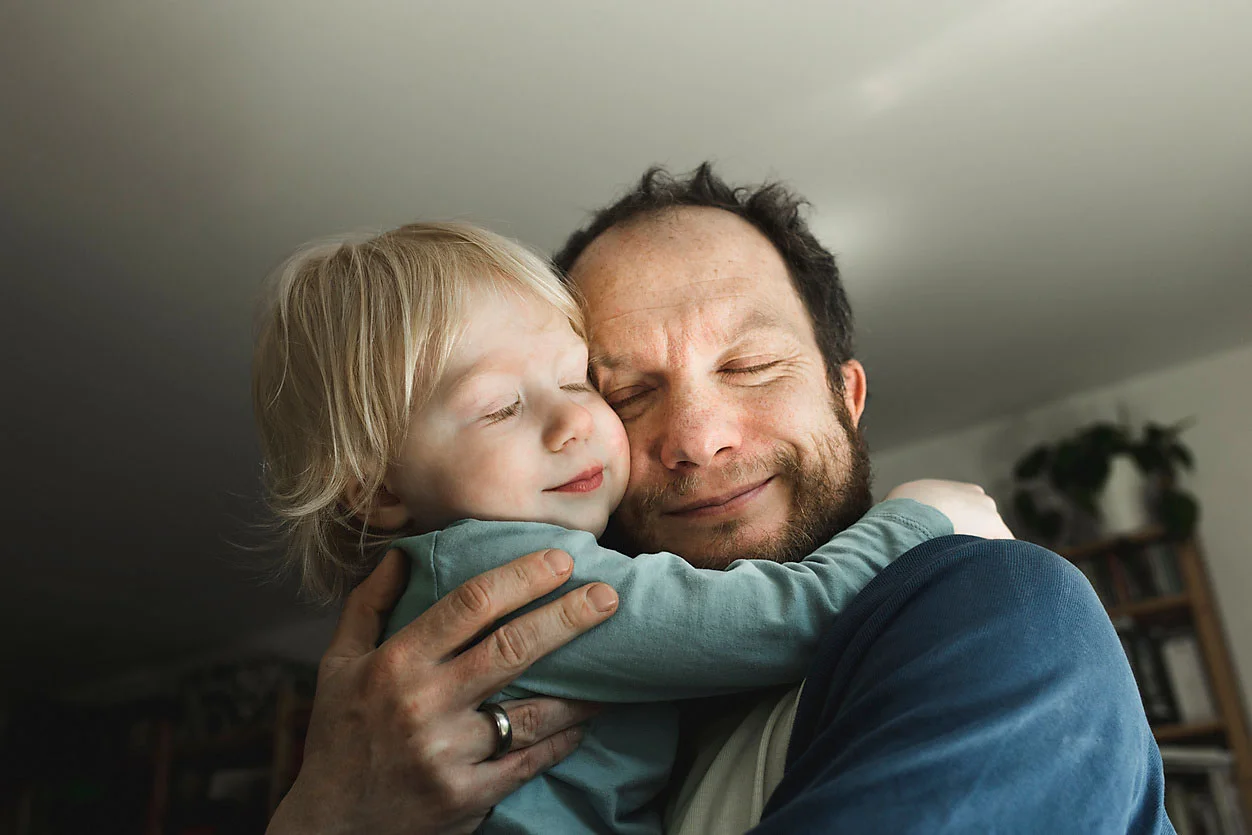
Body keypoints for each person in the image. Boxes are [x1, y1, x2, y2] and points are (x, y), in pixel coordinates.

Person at [266, 165, 1172, 834]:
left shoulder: (997, 607)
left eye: (750, 365)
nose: (698, 436)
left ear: (847, 399)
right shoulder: (466, 712)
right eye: (625, 390)